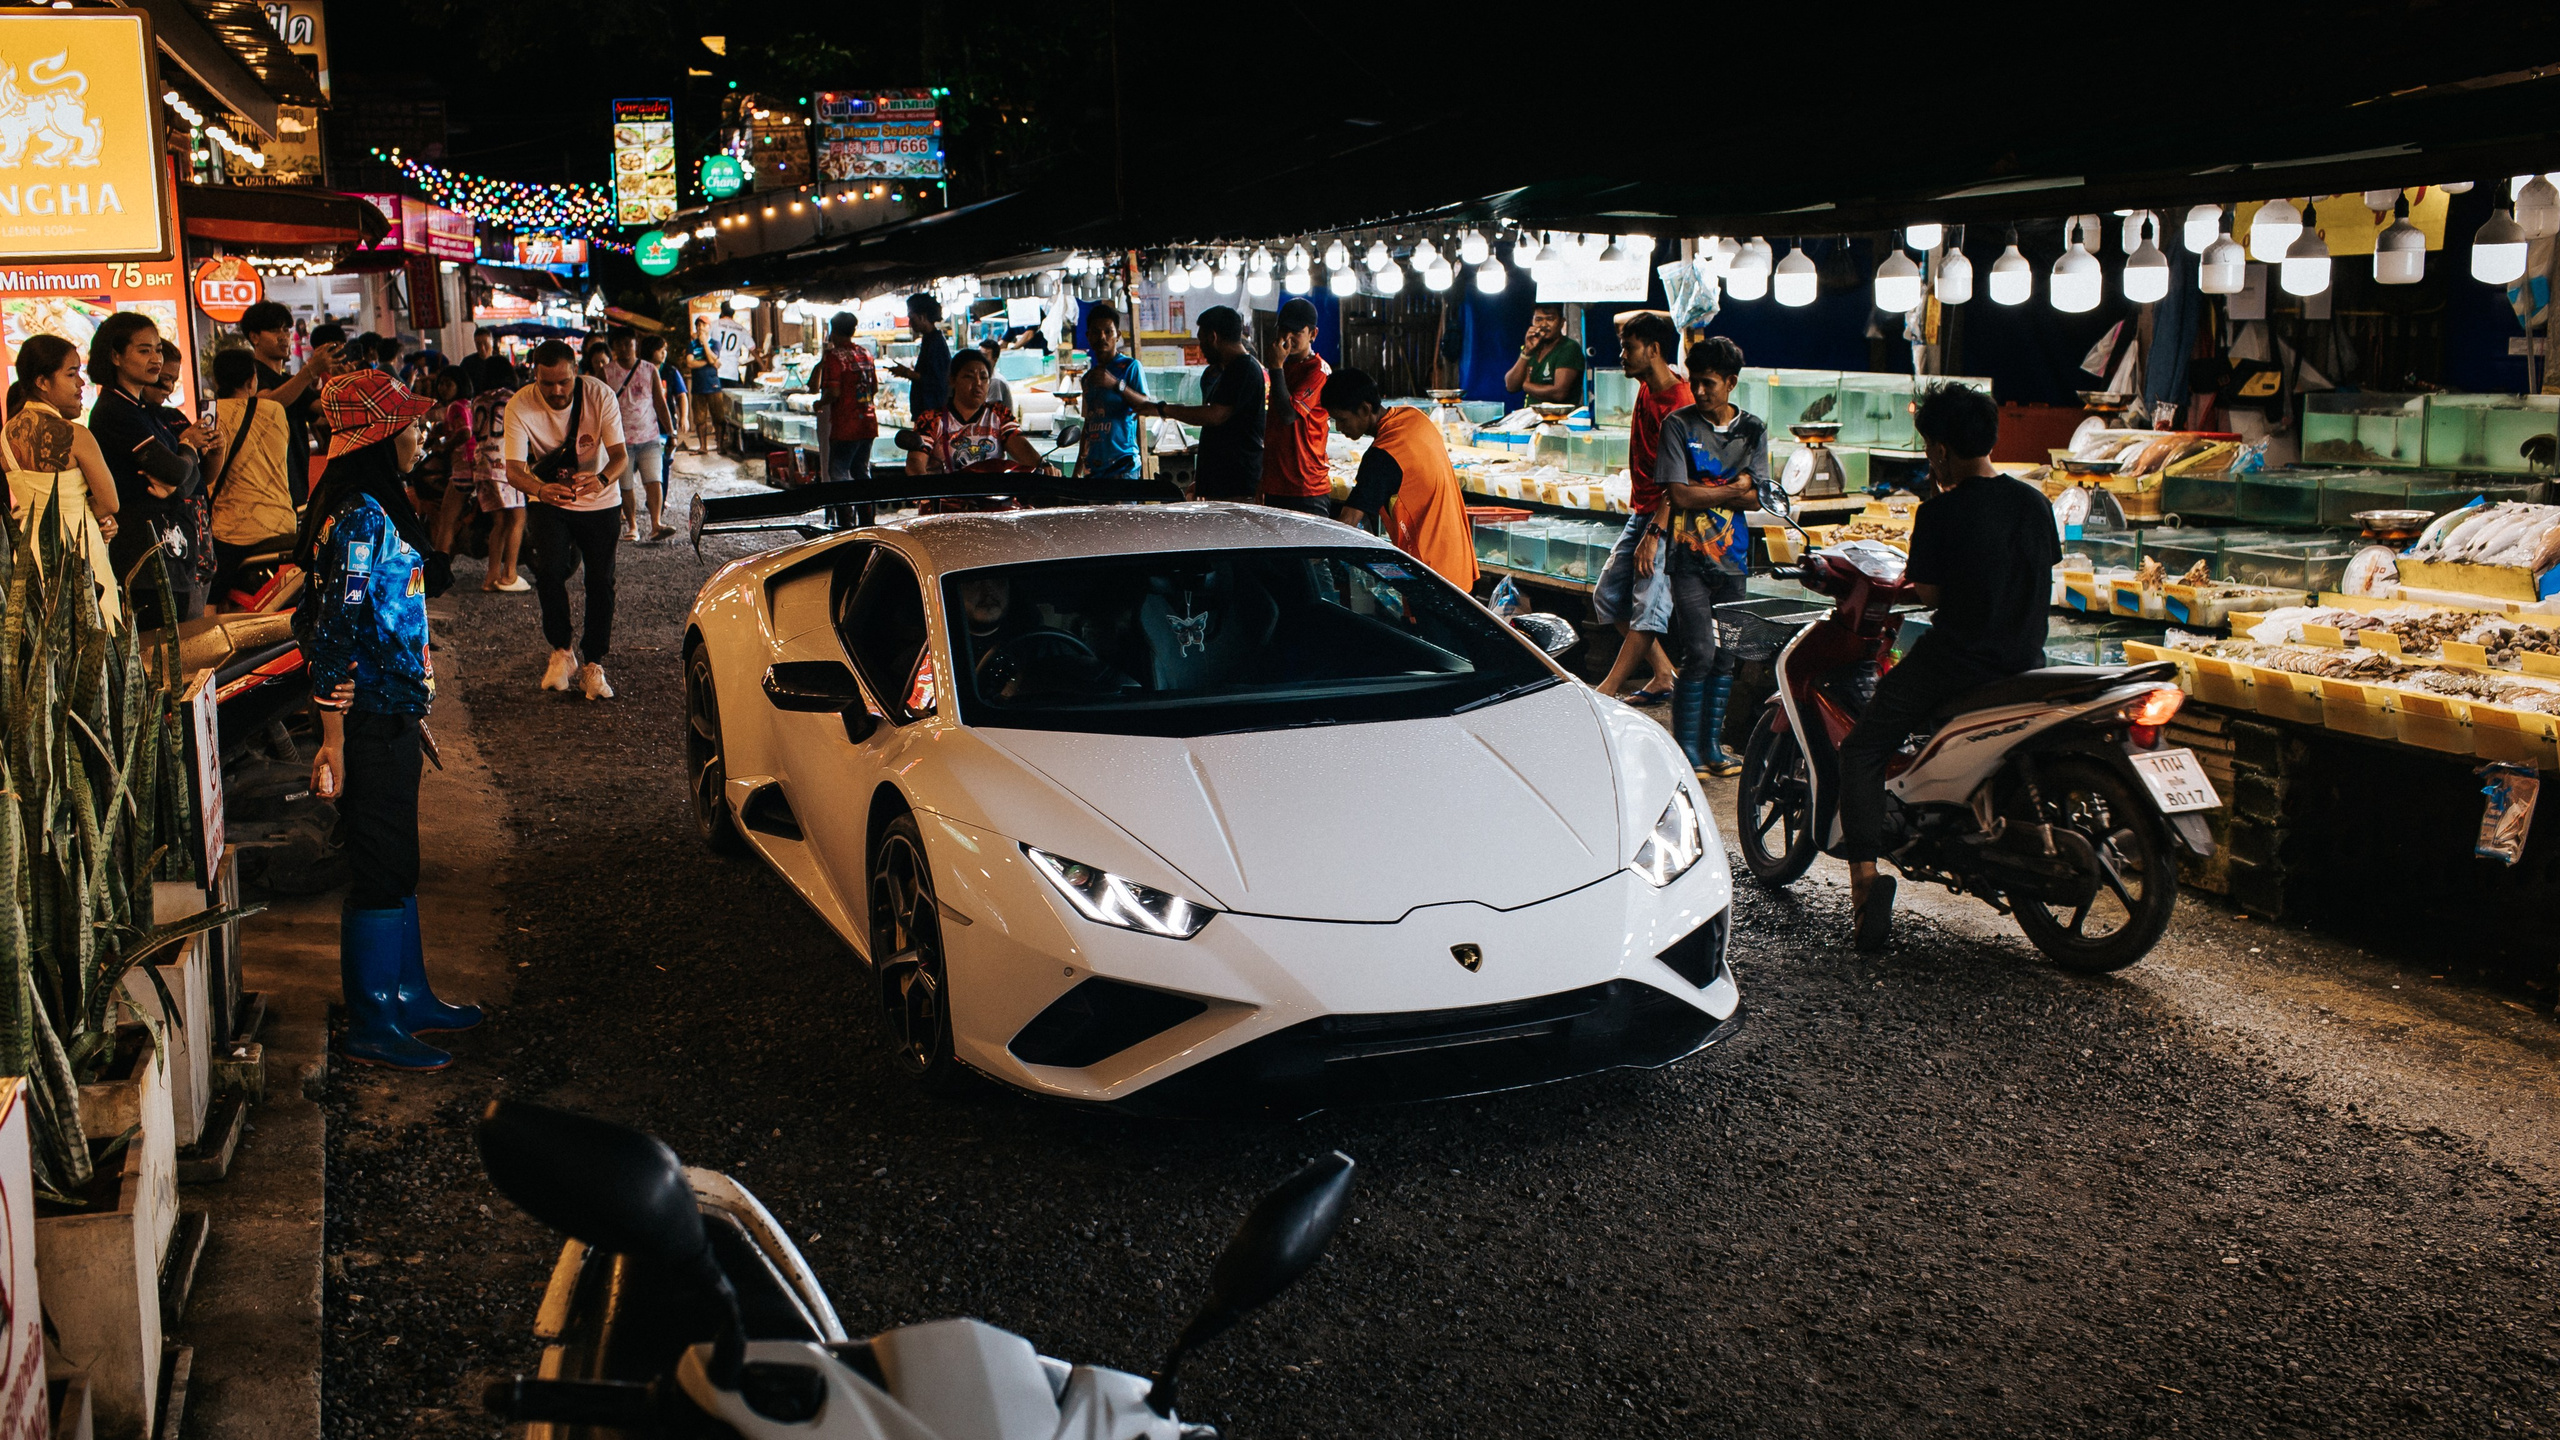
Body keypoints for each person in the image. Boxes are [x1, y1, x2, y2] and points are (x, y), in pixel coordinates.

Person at [293, 368, 478, 1072]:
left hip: (392, 705)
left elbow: (386, 618)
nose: (421, 432)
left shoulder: (376, 501)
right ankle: (373, 1020)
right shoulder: (362, 514)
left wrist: (414, 705)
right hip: (364, 713)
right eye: (409, 424)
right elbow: (337, 626)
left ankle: (410, 994)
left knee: (400, 857)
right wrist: (332, 739)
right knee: (377, 862)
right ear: (380, 436)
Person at [1838, 383, 2060, 950]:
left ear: (1938, 451)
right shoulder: (2034, 502)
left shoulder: (1940, 512)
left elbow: (1931, 594)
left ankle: (1864, 886)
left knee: (1863, 749)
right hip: (2025, 659)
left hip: (1959, 662)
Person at [1654, 335, 1766, 780]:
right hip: (1687, 559)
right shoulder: (1677, 426)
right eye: (1694, 382)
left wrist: (1727, 492)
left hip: (1734, 560)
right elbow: (1678, 494)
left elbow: (1759, 497)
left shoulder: (1752, 429)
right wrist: (1732, 489)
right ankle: (1687, 751)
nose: (1699, 392)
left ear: (1731, 383)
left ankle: (1713, 748)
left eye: (1708, 384)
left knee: (1726, 656)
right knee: (1699, 651)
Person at [503, 339, 628, 700]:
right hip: (549, 497)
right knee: (548, 571)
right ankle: (561, 652)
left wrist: (601, 479)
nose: (557, 391)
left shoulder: (600, 395)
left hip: (600, 500)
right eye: (547, 383)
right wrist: (541, 491)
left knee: (601, 580)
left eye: (564, 382)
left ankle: (593, 663)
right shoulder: (520, 404)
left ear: (577, 373)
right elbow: (513, 470)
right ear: (535, 377)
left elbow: (620, 456)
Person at [1592, 313, 1696, 708]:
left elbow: (1681, 479)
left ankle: (1606, 692)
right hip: (1642, 511)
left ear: (1653, 350)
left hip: (1666, 519)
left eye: (1628, 347)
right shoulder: (1647, 386)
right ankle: (1664, 673)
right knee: (1609, 595)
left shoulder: (1678, 404)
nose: (1621, 355)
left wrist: (1655, 535)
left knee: (1648, 609)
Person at [87, 313, 217, 626]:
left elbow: (188, 480)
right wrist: (187, 445)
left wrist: (178, 477)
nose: (156, 358)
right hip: (141, 560)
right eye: (144, 350)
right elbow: (176, 471)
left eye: (157, 349)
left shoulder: (146, 412)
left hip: (171, 554)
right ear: (116, 356)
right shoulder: (114, 411)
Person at [2, 334, 121, 623]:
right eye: (72, 373)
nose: (81, 383)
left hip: (30, 552)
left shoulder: (6, 436)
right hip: (79, 550)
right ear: (42, 382)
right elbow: (110, 502)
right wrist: (94, 518)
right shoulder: (75, 435)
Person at [1324, 366, 1477, 590]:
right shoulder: (1414, 417)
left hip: (1429, 575)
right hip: (1457, 562)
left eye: (1342, 419)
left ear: (1365, 409)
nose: (1339, 427)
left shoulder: (1383, 455)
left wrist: (1313, 556)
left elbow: (1348, 522)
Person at [1122, 305, 1264, 500]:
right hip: (1222, 482)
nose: (1201, 348)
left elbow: (1214, 415)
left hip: (1236, 484)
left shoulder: (1244, 369)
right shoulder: (1226, 371)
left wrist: (1163, 409)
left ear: (1213, 337)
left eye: (1201, 340)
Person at [206, 348, 297, 597]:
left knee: (210, 592)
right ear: (251, 380)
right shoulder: (275, 410)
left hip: (233, 531)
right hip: (282, 524)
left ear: (216, 381)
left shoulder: (212, 415)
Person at [906, 348, 1055, 475]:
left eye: (984, 378)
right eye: (969, 376)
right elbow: (915, 461)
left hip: (994, 501)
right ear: (952, 380)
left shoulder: (999, 414)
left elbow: (1020, 446)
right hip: (947, 503)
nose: (978, 383)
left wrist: (1043, 465)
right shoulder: (931, 419)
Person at [597, 327, 675, 543]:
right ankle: (632, 526)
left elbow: (660, 402)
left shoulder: (650, 369)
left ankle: (656, 524)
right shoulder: (607, 372)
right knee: (625, 485)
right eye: (619, 344)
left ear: (635, 344)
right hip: (618, 441)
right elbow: (599, 406)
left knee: (654, 481)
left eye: (627, 343)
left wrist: (671, 432)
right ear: (613, 347)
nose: (624, 348)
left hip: (649, 435)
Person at [1261, 297, 1331, 516]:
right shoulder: (1281, 367)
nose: (1287, 338)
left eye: (1296, 333)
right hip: (1275, 484)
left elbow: (1289, 414)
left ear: (1313, 334)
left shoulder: (1318, 371)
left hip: (1307, 487)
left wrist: (1276, 367)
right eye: (1283, 330)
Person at [470, 357, 530, 593]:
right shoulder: (511, 398)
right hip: (504, 464)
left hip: (482, 464)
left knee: (499, 523)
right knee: (517, 518)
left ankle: (491, 576)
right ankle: (509, 574)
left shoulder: (478, 400)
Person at [1074, 302, 1146, 480]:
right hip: (1094, 468)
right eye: (1096, 332)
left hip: (1123, 466)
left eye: (1108, 331)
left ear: (1118, 336)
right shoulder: (1088, 379)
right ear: (1088, 336)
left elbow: (1145, 404)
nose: (1102, 337)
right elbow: (1088, 424)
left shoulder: (1130, 367)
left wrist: (1116, 385)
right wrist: (1078, 468)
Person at [816, 312, 879, 483]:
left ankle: (846, 510)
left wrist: (820, 403)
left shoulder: (834, 357)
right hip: (868, 423)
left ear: (833, 332)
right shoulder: (865, 353)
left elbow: (834, 392)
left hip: (845, 425)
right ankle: (867, 509)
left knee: (838, 473)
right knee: (861, 471)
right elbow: (874, 389)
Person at [425, 368, 479, 556]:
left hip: (464, 466)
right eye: (441, 383)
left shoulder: (455, 407)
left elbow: (465, 432)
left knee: (446, 519)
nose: (443, 388)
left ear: (460, 385)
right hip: (477, 463)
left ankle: (441, 561)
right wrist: (438, 432)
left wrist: (444, 446)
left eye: (449, 383)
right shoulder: (467, 404)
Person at [1504, 303, 1585, 407]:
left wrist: (1525, 385)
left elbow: (1558, 393)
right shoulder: (1532, 346)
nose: (1543, 325)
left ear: (1562, 322)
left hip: (1559, 419)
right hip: (1531, 418)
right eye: (1538, 320)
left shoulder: (1569, 348)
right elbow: (1511, 386)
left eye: (1550, 319)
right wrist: (1526, 353)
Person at [889, 292, 951, 419]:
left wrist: (906, 373)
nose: (910, 323)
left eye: (912, 318)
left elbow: (937, 380)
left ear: (922, 317)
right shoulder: (930, 340)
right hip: (929, 412)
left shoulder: (935, 343)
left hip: (933, 413)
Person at [644, 334, 684, 494]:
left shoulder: (670, 371)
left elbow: (682, 395)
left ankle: (659, 499)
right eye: (660, 350)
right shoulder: (639, 370)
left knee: (664, 463)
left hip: (664, 427)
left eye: (665, 350)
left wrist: (684, 417)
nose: (664, 353)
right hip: (643, 427)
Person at [686, 316, 723, 452]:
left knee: (718, 417)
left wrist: (705, 344)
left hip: (713, 385)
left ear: (709, 327)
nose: (700, 327)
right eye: (698, 325)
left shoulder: (715, 343)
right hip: (698, 386)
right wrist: (709, 362)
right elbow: (690, 362)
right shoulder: (692, 345)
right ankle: (703, 446)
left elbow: (715, 358)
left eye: (703, 324)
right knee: (699, 419)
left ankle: (720, 445)